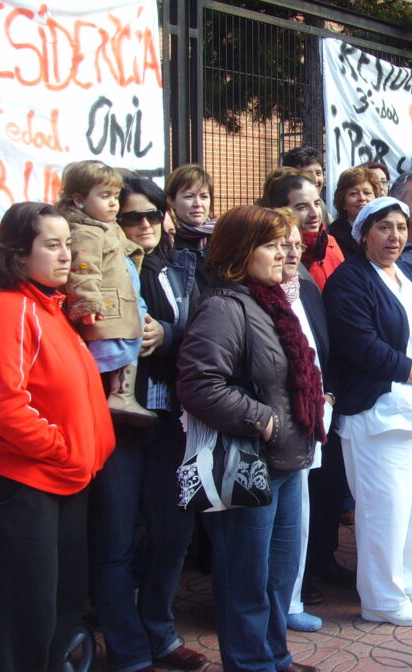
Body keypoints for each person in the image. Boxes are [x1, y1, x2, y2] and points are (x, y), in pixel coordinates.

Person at [0, 202, 115, 672]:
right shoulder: (9, 313)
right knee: (22, 614)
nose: (66, 254)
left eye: (67, 243)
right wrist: (64, 451)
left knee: (58, 605)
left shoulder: (50, 309)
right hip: (23, 485)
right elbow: (4, 409)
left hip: (64, 482)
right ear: (18, 255)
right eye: (52, 245)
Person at [177, 206, 325, 672]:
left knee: (279, 576)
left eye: (286, 243)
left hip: (287, 458)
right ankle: (249, 663)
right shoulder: (225, 305)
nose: (285, 252)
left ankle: (274, 658)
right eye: (272, 244)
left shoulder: (274, 300)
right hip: (249, 459)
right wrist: (265, 420)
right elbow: (199, 384)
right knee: (246, 577)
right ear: (242, 252)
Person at [88, 175, 206, 672]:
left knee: (172, 534)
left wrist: (171, 331)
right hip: (115, 423)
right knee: (115, 540)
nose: (142, 225)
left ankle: (158, 632)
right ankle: (127, 647)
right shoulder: (100, 266)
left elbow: (204, 329)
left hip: (170, 421)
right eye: (129, 216)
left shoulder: (181, 266)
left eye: (151, 215)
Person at [323, 196, 412, 626]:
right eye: (383, 228)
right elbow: (360, 345)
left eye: (400, 227)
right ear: (363, 234)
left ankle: (411, 583)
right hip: (379, 413)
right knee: (385, 508)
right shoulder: (350, 280)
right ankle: (381, 598)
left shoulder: (411, 273)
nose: (394, 236)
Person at [57, 160, 155, 426]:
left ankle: (122, 394)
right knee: (113, 349)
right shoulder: (85, 232)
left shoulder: (106, 225)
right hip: (108, 307)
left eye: (115, 196)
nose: (113, 203)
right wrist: (87, 303)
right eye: (104, 196)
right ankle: (115, 395)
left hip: (124, 301)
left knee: (129, 344)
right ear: (78, 199)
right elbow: (83, 271)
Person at [275, 215, 334, 635]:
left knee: (301, 518)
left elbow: (321, 348)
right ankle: (275, 606)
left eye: (297, 244)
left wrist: (325, 394)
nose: (292, 252)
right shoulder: (247, 297)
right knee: (272, 528)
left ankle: (290, 599)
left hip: (311, 419)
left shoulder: (306, 288)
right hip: (274, 426)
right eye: (282, 244)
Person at [262, 173, 345, 290]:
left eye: (317, 204)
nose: (315, 214)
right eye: (302, 207)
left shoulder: (328, 250)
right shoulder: (271, 260)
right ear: (281, 210)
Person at [167, 164, 215, 291]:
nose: (198, 204)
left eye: (204, 196)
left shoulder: (224, 236)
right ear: (171, 201)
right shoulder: (166, 241)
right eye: (189, 196)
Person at [328, 166, 378, 258]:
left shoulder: (385, 229)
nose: (362, 198)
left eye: (367, 193)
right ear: (343, 202)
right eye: (354, 194)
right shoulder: (333, 235)